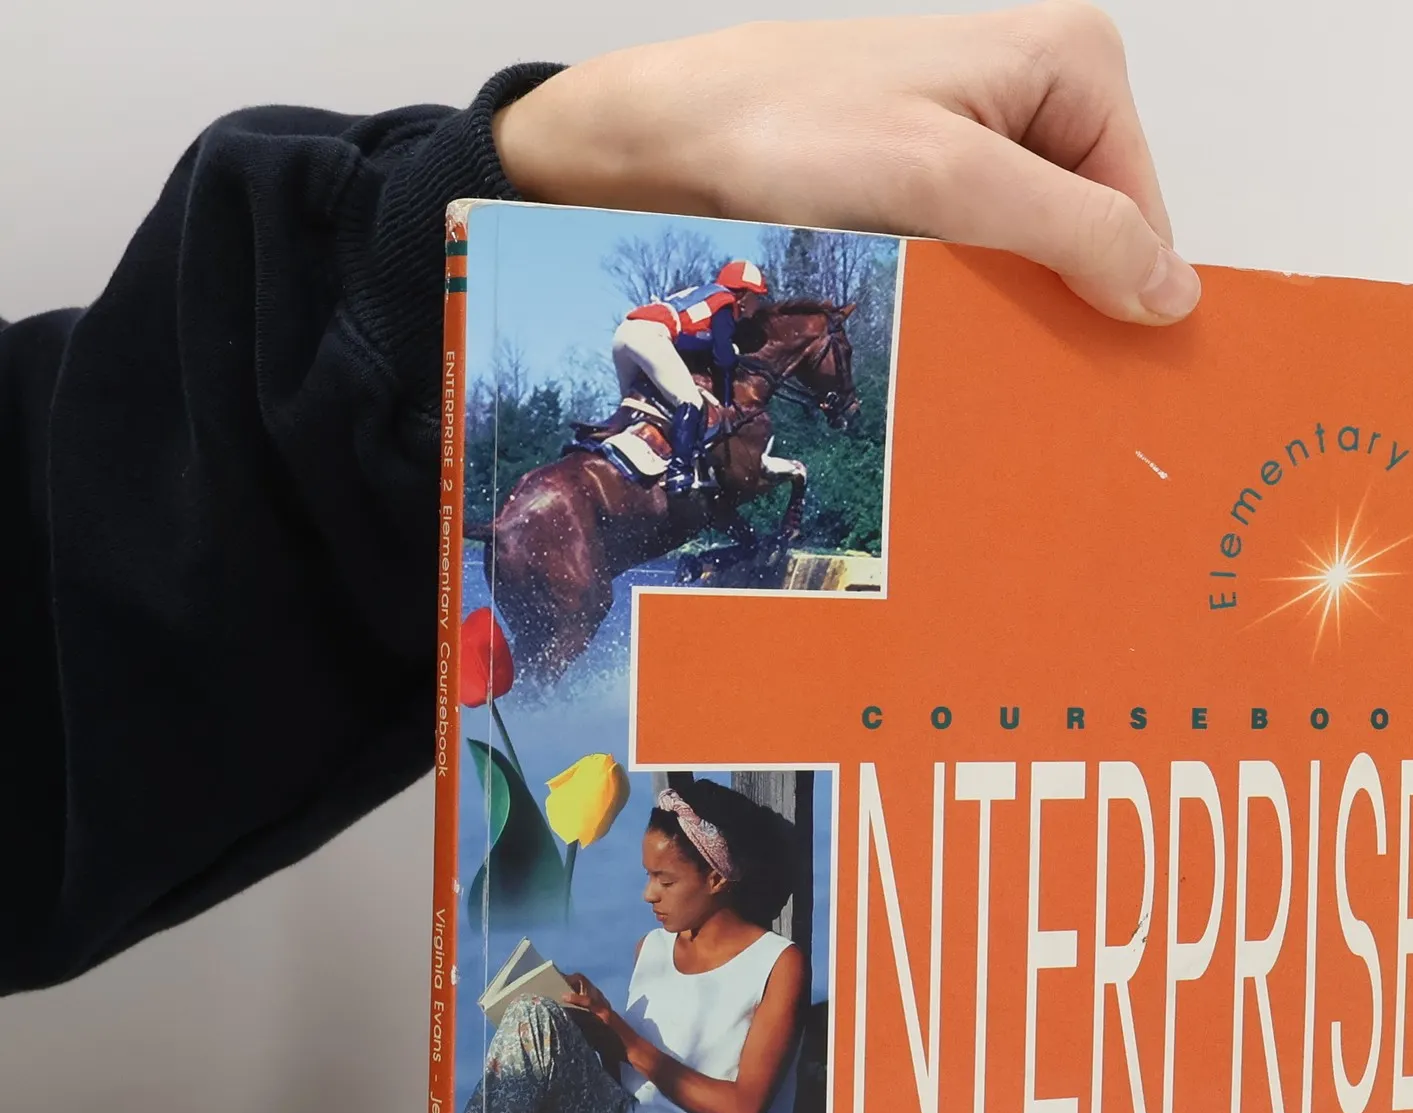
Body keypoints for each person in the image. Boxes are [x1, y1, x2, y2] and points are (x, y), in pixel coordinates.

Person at [2, 5, 1200, 998]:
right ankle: (684, 474)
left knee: (696, 412)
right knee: (697, 413)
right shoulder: (719, 308)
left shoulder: (731, 313)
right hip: (643, 346)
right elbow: (705, 360)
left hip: (560, 347)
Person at [447, 776, 805, 1113]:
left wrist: (627, 1039)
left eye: (665, 880)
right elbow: (633, 1084)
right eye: (647, 876)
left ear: (716, 879)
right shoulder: (651, 950)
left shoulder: (777, 964)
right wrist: (596, 1030)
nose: (648, 894)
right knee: (533, 1015)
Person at [607, 258, 772, 493]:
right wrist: (726, 400)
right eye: (757, 297)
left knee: (634, 406)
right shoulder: (725, 303)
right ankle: (679, 470)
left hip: (624, 333)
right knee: (690, 400)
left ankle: (604, 451)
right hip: (651, 335)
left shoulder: (702, 294)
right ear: (744, 295)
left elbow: (692, 341)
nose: (758, 305)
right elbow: (723, 358)